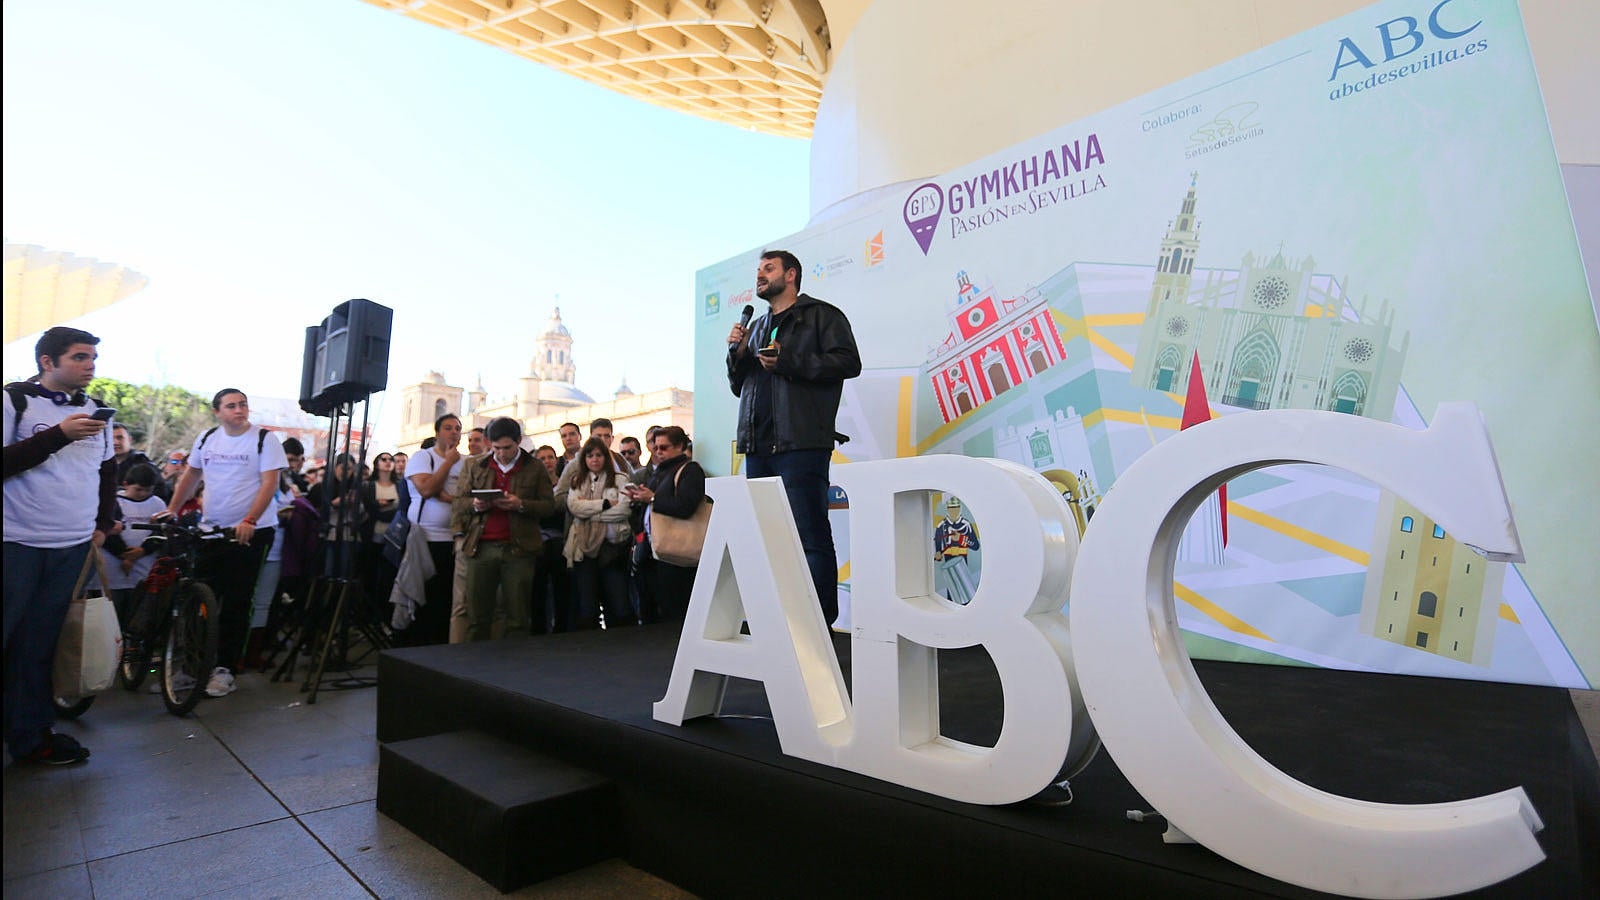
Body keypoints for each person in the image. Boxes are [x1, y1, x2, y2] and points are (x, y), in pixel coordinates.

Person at [726, 249, 861, 624]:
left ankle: (820, 624)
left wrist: (788, 362)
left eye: (768, 269)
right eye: (758, 270)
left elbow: (849, 362)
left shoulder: (820, 315)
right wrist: (737, 355)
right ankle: (776, 623)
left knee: (810, 537)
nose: (760, 275)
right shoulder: (753, 329)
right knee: (768, 540)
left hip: (800, 442)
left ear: (791, 275)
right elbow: (741, 387)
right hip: (758, 446)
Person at [2, 326, 115, 765]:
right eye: (79, 358)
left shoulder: (98, 412)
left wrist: (103, 524)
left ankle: (30, 735)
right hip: (15, 541)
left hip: (72, 546)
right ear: (48, 362)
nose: (90, 366)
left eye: (92, 358)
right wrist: (58, 436)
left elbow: (107, 473)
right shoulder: (16, 401)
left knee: (39, 645)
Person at [164, 388, 287, 698]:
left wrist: (249, 521)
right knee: (199, 599)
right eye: (231, 405)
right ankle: (190, 666)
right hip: (211, 529)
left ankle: (225, 669)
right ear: (217, 411)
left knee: (237, 601)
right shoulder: (207, 438)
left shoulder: (263, 439)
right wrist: (171, 509)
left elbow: (269, 484)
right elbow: (191, 475)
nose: (239, 409)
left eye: (243, 404)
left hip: (250, 532)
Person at [453, 418, 556, 641]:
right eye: (496, 448)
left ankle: (513, 668)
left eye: (507, 448)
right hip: (481, 547)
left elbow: (550, 506)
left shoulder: (535, 467)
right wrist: (475, 504)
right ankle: (475, 664)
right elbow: (458, 503)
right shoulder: (474, 465)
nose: (501, 454)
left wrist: (520, 504)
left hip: (519, 549)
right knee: (477, 616)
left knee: (518, 617)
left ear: (519, 441)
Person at [625, 426, 705, 621]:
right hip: (652, 551)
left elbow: (685, 507)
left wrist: (652, 499)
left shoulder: (690, 470)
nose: (658, 452)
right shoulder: (658, 473)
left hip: (676, 553)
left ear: (680, 446)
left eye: (664, 448)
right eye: (656, 447)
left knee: (675, 612)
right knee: (651, 610)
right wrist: (638, 500)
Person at [399, 413, 463, 646]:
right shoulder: (422, 457)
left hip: (454, 539)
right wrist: (447, 462)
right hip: (424, 538)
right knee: (421, 593)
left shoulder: (465, 461)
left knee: (444, 596)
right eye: (448, 428)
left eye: (457, 428)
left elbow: (466, 496)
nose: (453, 432)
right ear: (437, 432)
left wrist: (448, 497)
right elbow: (426, 489)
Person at [561, 436, 632, 629]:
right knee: (587, 605)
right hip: (583, 549)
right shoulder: (577, 481)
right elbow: (575, 507)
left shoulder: (620, 480)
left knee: (619, 604)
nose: (595, 459)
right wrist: (605, 504)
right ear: (584, 459)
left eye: (599, 455)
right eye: (590, 455)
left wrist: (591, 514)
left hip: (612, 548)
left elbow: (624, 510)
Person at [448, 426, 491, 643]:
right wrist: (457, 534)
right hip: (467, 538)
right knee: (462, 603)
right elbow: (459, 502)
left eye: (477, 440)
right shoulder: (469, 464)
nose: (472, 444)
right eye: (470, 440)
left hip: (495, 540)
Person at [532, 444, 569, 633]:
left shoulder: (564, 485)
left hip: (561, 542)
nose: (547, 462)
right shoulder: (533, 487)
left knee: (561, 588)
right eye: (542, 458)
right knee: (538, 590)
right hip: (538, 543)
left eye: (550, 457)